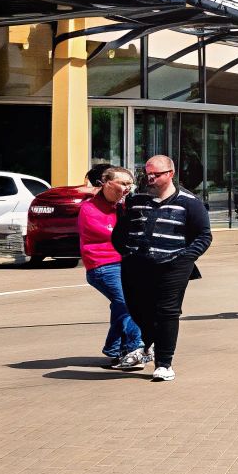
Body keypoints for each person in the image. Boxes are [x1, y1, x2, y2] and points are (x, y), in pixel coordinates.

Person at [113, 154, 211, 382]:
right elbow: (122, 230)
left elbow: (204, 235)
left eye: (156, 175)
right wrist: (125, 252)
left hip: (173, 264)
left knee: (167, 312)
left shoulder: (190, 202)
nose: (151, 179)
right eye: (148, 174)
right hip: (136, 263)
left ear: (170, 174)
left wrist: (186, 258)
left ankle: (164, 364)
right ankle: (151, 343)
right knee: (136, 308)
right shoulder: (136, 200)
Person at [79, 165, 145, 369]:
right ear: (106, 183)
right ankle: (136, 348)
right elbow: (113, 234)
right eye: (123, 183)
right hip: (103, 267)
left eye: (130, 184)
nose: (127, 188)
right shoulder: (88, 209)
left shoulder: (122, 206)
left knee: (121, 305)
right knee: (129, 303)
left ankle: (115, 349)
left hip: (125, 263)